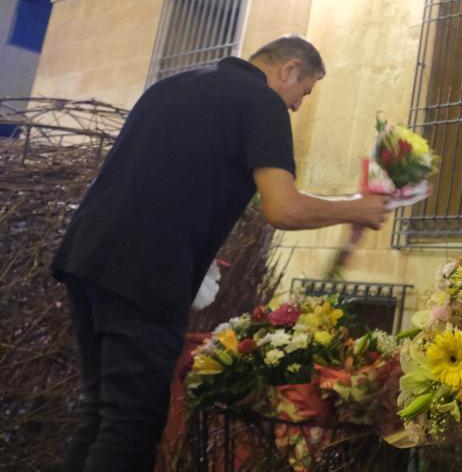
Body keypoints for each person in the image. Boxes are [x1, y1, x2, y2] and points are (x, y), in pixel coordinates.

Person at [51, 35, 391, 472]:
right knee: (131, 423)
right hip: (146, 271)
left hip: (86, 255)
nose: (296, 106)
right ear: (289, 69)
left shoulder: (171, 86)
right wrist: (356, 208)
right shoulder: (261, 102)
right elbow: (283, 208)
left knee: (102, 411)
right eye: (303, 93)